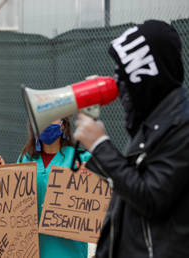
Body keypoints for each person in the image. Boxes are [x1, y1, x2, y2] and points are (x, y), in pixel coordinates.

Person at [74, 20, 189, 258]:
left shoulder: (182, 126)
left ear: (146, 73)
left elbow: (151, 197)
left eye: (125, 76)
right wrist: (98, 158)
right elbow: (135, 186)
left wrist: (100, 145)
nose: (119, 85)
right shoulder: (158, 122)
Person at [0, 117, 91, 258]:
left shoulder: (82, 158)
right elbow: (13, 202)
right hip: (30, 252)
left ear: (63, 125)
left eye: (53, 117)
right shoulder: (25, 158)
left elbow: (104, 196)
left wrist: (93, 175)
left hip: (70, 253)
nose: (47, 122)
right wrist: (2, 173)